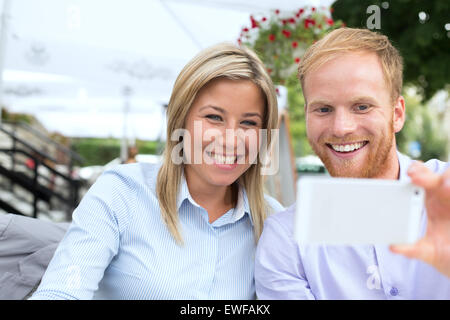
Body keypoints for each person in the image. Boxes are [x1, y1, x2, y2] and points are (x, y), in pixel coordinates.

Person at [30, 43, 283, 299]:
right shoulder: (121, 193)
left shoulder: (274, 222)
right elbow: (62, 292)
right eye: (214, 117)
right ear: (180, 119)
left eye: (248, 123)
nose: (231, 140)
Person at [255, 28, 450, 299]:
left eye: (362, 106)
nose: (342, 128)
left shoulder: (445, 194)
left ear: (397, 114)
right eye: (323, 109)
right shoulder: (286, 241)